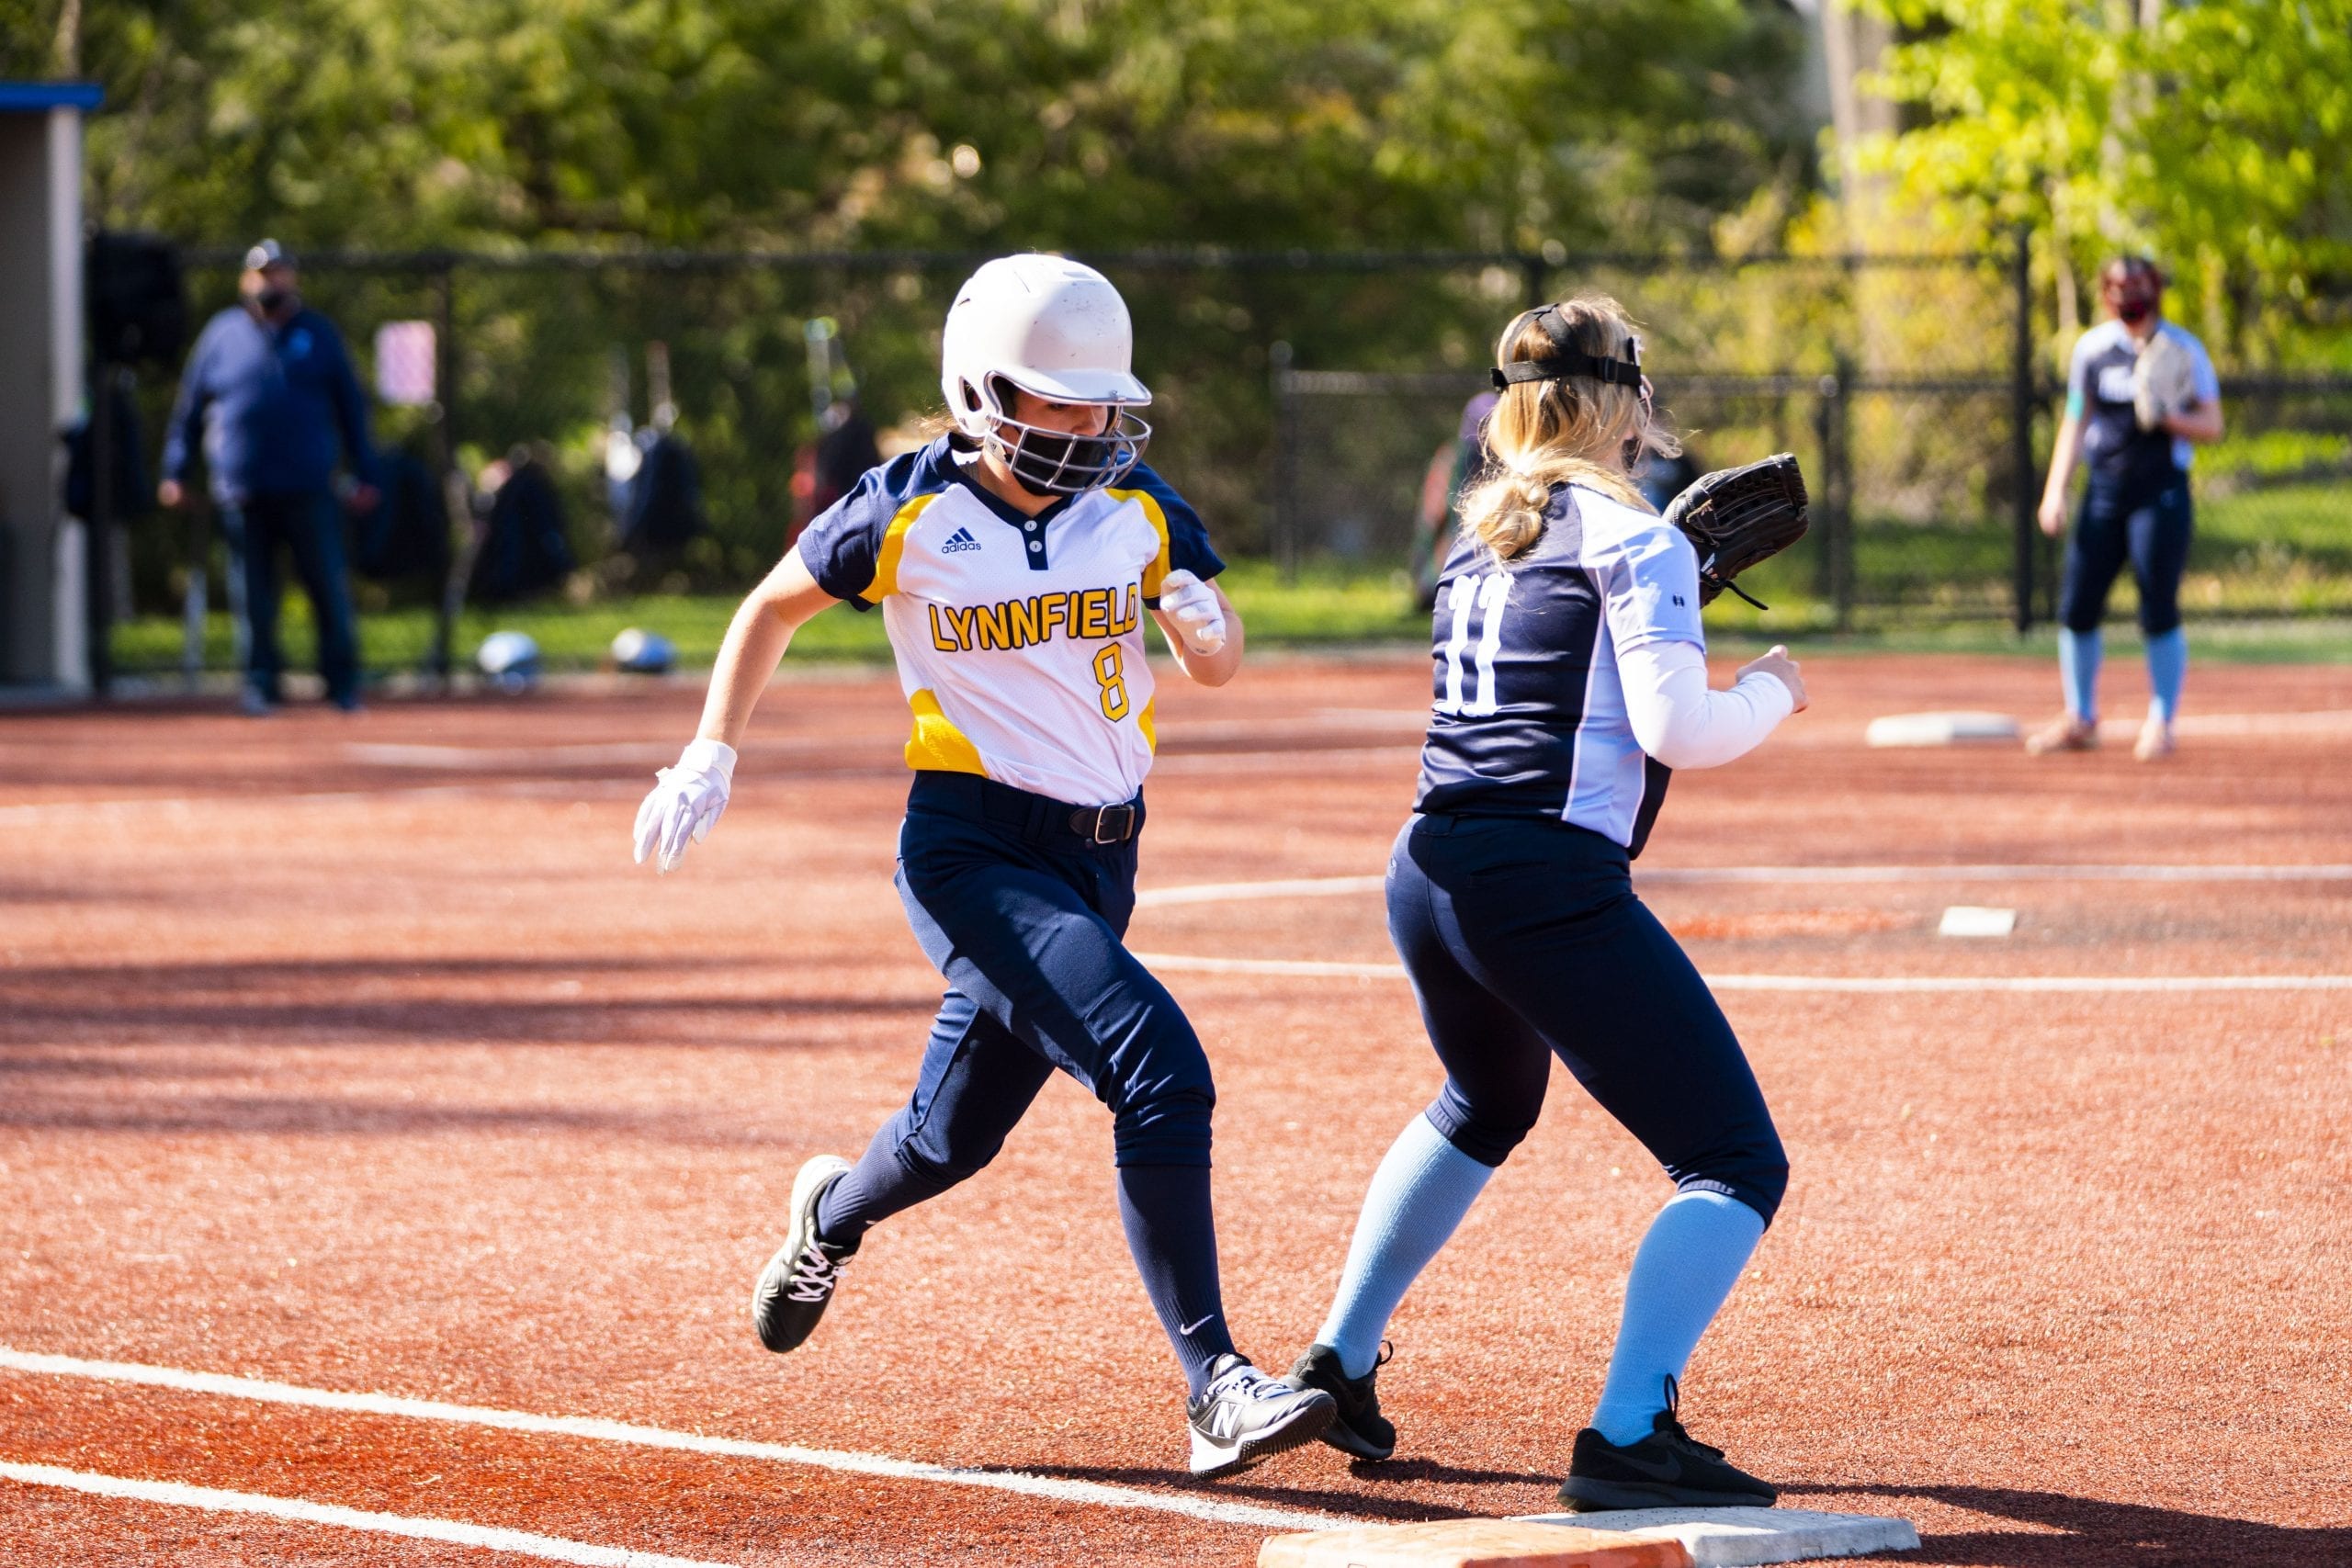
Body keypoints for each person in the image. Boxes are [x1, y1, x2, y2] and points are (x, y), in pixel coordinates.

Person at [630, 254, 1336, 1477]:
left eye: (1101, 404)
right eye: (1059, 400)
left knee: (950, 1138)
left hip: (1103, 856)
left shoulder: (1136, 501)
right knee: (1161, 1072)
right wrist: (709, 752)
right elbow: (769, 607)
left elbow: (1214, 660)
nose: (1088, 426)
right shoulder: (905, 508)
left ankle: (826, 1218)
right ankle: (1215, 1384)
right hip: (973, 849)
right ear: (979, 391)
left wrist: (1208, 634)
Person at [1279, 296, 1805, 1512]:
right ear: (1625, 402)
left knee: (1484, 1101)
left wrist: (1676, 579)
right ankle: (1629, 1430)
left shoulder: (1484, 531)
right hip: (1537, 883)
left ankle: (1338, 1359)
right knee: (1732, 1159)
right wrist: (1773, 689)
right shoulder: (1630, 536)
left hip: (1429, 868)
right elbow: (1678, 730)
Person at [159, 241, 380, 714]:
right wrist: (175, 470)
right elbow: (189, 409)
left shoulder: (318, 333)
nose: (270, 281)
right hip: (242, 488)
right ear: (247, 279)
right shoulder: (222, 334)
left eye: (278, 272)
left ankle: (341, 683)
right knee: (253, 596)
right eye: (261, 273)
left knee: (326, 586)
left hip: (308, 486)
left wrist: (367, 471)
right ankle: (262, 684)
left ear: (292, 278)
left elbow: (352, 409)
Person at [2030, 256, 2223, 761]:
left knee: (2157, 605)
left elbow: (2213, 424)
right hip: (2104, 492)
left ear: (2155, 288)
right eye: (2117, 285)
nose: (2128, 294)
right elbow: (2075, 419)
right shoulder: (2093, 350)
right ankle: (2080, 716)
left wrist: (2167, 416)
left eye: (2137, 285)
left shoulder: (2181, 349)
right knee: (2077, 605)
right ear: (2105, 293)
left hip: (2159, 492)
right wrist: (2055, 490)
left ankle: (2161, 720)